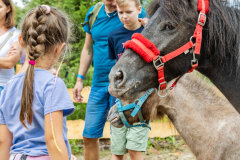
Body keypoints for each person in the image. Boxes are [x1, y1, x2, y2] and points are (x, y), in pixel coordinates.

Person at [72, 0, 148, 159]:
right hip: (99, 84)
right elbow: (87, 48)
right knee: (89, 135)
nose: (124, 15)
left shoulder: (132, 9)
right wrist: (80, 78)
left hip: (125, 87)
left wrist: (148, 23)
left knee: (123, 140)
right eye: (121, 13)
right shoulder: (94, 13)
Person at [0, 5, 75, 160]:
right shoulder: (53, 84)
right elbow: (53, 139)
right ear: (59, 48)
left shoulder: (7, 87)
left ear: (21, 40)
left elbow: (3, 141)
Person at [108, 0, 149, 159]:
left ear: (139, 10)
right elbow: (115, 65)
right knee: (117, 151)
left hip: (141, 99)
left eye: (129, 12)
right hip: (119, 100)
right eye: (120, 12)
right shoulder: (113, 36)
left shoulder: (148, 32)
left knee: (135, 149)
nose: (124, 16)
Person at [0, 0, 22, 93]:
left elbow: (9, 63)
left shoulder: (16, 35)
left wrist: (6, 61)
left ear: (8, 9)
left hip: (3, 87)